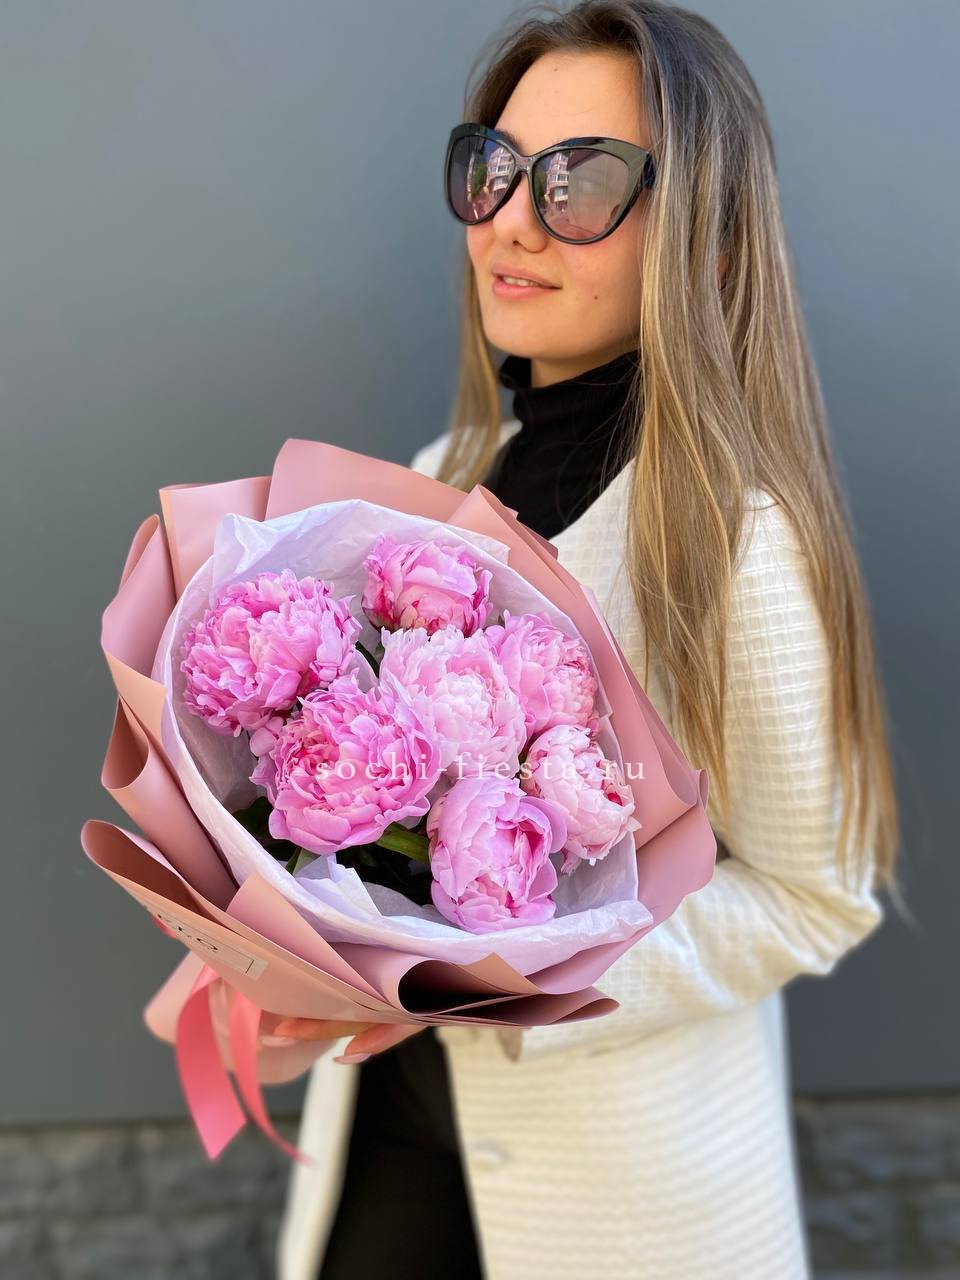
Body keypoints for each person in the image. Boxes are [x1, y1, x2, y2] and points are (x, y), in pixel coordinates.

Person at [274, 3, 902, 1277]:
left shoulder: (734, 537)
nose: (511, 218)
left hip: (622, 1192)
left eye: (582, 182)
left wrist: (515, 970)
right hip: (389, 1132)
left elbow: (814, 893)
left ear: (708, 240)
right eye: (494, 168)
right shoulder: (435, 479)